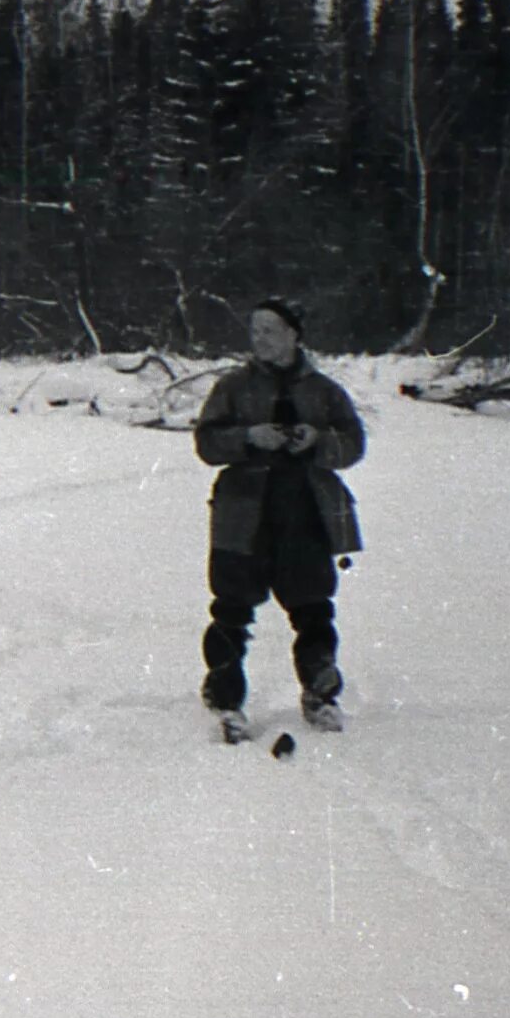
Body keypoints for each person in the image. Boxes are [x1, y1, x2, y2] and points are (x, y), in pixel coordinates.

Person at [192, 297, 366, 738]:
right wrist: (248, 438)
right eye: (255, 330)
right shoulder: (232, 386)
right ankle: (225, 700)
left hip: (306, 515)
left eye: (269, 329)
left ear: (294, 334)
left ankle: (319, 693)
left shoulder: (325, 391)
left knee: (313, 608)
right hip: (242, 515)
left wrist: (316, 440)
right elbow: (207, 443)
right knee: (231, 608)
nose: (259, 338)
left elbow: (352, 445)